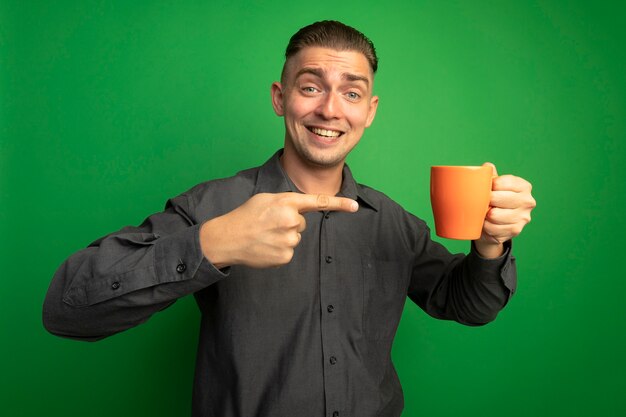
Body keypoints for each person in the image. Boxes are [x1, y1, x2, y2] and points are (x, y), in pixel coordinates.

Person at [43, 20, 536, 417]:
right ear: (281, 98)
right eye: (310, 86)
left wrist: (489, 245)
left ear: (370, 110)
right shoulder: (214, 206)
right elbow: (65, 310)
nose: (329, 109)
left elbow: (470, 305)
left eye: (351, 93)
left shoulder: (394, 223)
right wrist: (210, 245)